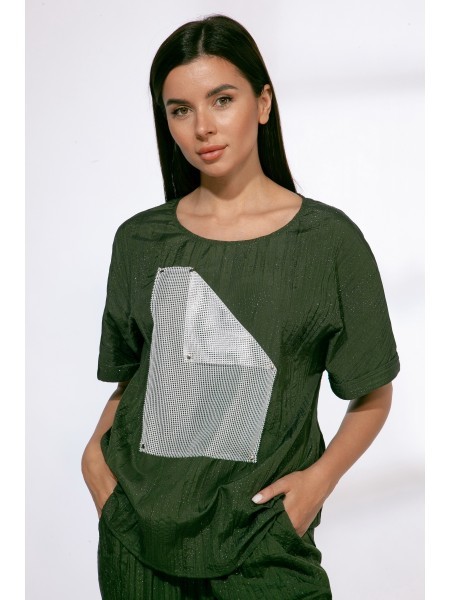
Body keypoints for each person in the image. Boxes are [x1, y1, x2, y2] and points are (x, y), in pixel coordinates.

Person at [81, 14, 400, 600]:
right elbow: (135, 375)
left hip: (264, 544)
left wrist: (316, 485)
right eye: (180, 109)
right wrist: (94, 465)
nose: (202, 126)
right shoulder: (140, 241)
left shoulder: (329, 242)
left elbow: (373, 394)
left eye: (222, 99)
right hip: (136, 545)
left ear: (263, 103)